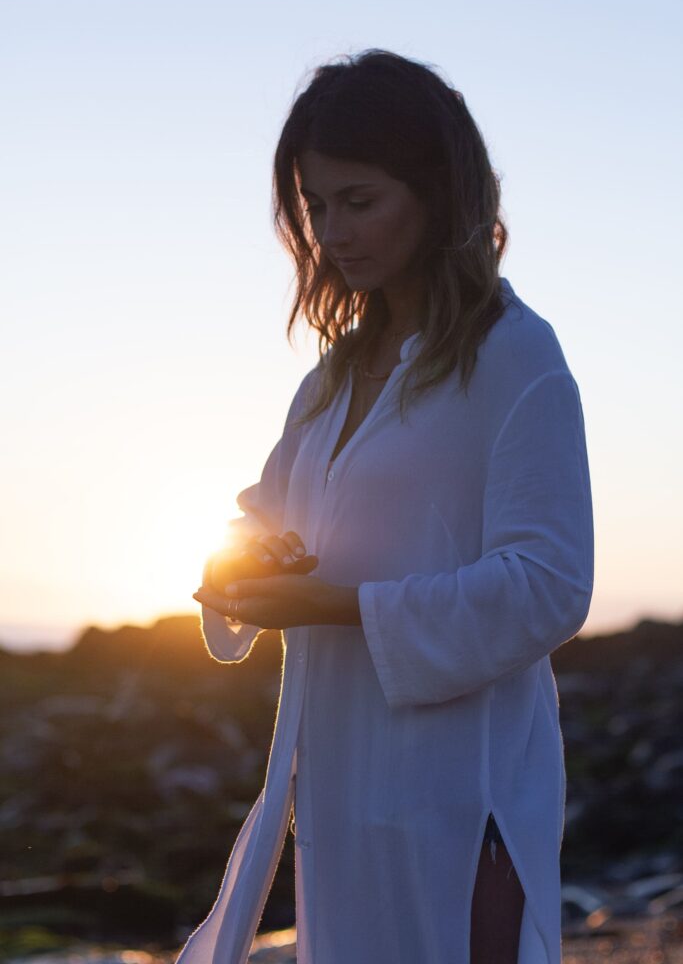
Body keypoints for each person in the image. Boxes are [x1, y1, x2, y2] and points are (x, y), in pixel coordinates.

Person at [181, 49, 594, 964]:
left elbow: (549, 584)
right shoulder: (330, 382)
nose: (331, 234)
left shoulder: (515, 357)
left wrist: (335, 604)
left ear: (440, 194)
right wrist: (234, 571)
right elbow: (260, 522)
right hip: (338, 794)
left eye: (358, 201)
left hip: (463, 793)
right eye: (315, 206)